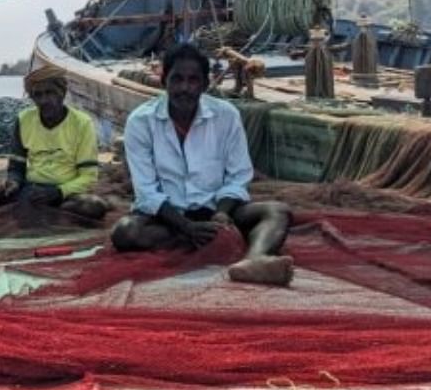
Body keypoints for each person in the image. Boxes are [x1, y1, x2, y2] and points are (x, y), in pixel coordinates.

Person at [110, 43, 295, 286]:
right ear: (164, 80)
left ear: (205, 84)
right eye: (177, 79)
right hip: (168, 219)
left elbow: (238, 176)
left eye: (193, 80)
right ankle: (222, 242)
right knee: (125, 232)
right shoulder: (140, 121)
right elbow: (146, 192)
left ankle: (254, 261)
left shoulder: (226, 116)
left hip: (217, 211)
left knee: (278, 212)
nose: (184, 88)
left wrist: (221, 214)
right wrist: (187, 227)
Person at [0, 65, 108, 222]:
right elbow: (16, 167)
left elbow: (88, 177)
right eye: (38, 95)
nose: (44, 100)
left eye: (49, 93)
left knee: (94, 205)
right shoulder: (24, 119)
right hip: (29, 190)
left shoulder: (82, 123)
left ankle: (47, 215)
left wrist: (58, 192)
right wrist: (14, 181)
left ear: (62, 94)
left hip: (63, 193)